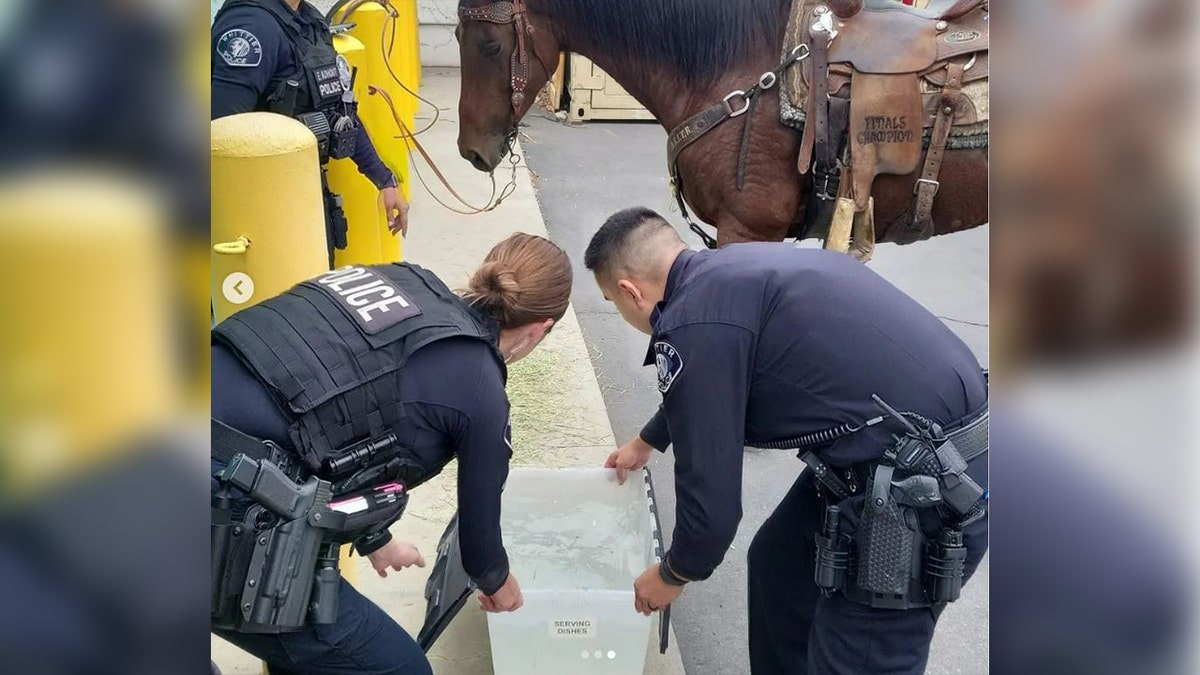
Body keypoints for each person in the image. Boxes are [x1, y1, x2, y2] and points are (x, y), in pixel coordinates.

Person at [586, 208, 989, 675]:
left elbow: (712, 509)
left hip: (926, 488)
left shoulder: (691, 323)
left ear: (630, 292)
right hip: (905, 450)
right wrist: (647, 441)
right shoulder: (733, 270)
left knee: (858, 656)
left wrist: (674, 573)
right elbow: (712, 381)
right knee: (780, 565)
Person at [210, 233, 573, 675]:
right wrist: (501, 586)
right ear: (541, 328)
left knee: (314, 650)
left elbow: (338, 417)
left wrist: (375, 538)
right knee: (401, 669)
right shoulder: (482, 389)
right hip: (204, 513)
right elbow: (481, 553)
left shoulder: (407, 281)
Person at [211, 0, 409, 255]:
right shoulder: (251, 28)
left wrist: (384, 181)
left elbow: (338, 111)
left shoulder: (307, 19)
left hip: (304, 195)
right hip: (258, 216)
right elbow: (221, 133)